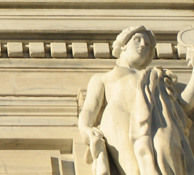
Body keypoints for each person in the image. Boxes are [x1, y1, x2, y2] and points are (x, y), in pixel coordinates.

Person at [78, 26, 194, 175]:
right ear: (123, 45)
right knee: (134, 170)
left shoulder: (158, 78)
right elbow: (89, 109)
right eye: (137, 39)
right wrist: (86, 128)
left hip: (159, 119)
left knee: (169, 159)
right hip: (119, 115)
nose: (143, 45)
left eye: (147, 43)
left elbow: (184, 104)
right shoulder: (104, 77)